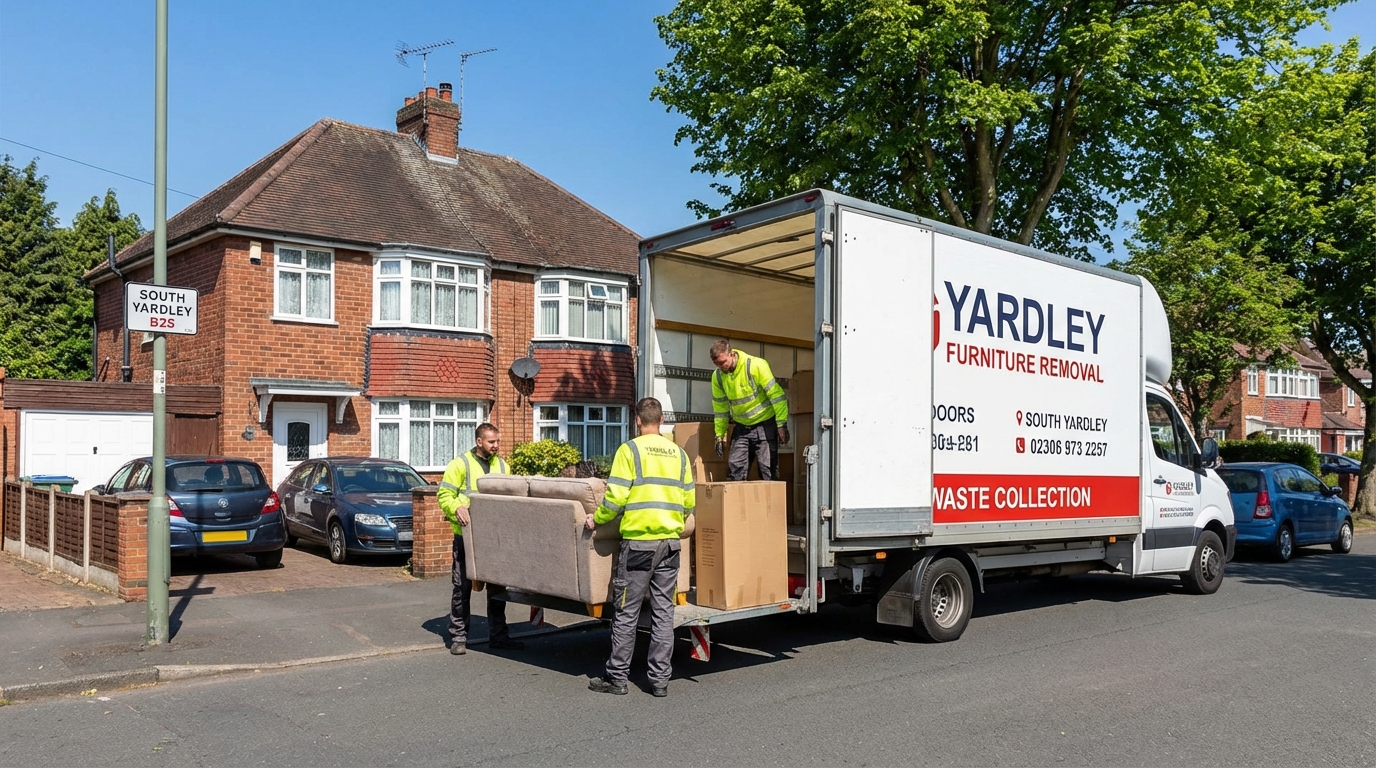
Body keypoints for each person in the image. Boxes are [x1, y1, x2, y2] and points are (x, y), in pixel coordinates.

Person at [586, 397, 694, 697]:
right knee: (663, 613)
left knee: (627, 611)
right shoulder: (679, 454)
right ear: (660, 421)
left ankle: (617, 677)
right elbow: (689, 502)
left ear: (637, 420)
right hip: (670, 545)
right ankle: (660, 682)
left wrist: (597, 518)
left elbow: (616, 498)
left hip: (639, 546)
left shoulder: (629, 450)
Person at [436, 423, 524, 655]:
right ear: (479, 442)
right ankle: (458, 637)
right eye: (491, 442)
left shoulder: (503, 465)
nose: (496, 446)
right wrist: (456, 508)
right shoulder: (460, 464)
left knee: (496, 589)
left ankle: (498, 636)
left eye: (497, 441)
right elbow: (444, 494)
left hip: (494, 538)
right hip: (466, 536)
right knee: (462, 588)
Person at [709, 339, 790, 481]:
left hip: (765, 424)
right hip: (742, 426)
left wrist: (781, 424)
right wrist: (719, 435)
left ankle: (771, 502)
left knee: (768, 469)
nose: (720, 367)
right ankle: (737, 503)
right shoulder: (718, 377)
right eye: (716, 364)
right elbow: (720, 409)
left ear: (732, 354)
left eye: (722, 362)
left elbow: (777, 396)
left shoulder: (756, 366)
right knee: (735, 468)